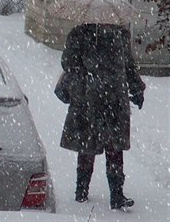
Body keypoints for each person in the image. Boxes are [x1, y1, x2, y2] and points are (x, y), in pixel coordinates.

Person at [59, 23, 145, 210]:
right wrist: (137, 89)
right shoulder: (119, 34)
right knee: (113, 147)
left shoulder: (79, 33)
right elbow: (129, 65)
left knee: (88, 145)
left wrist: (86, 66)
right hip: (112, 98)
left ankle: (83, 192)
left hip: (89, 97)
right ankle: (115, 194)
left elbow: (67, 63)